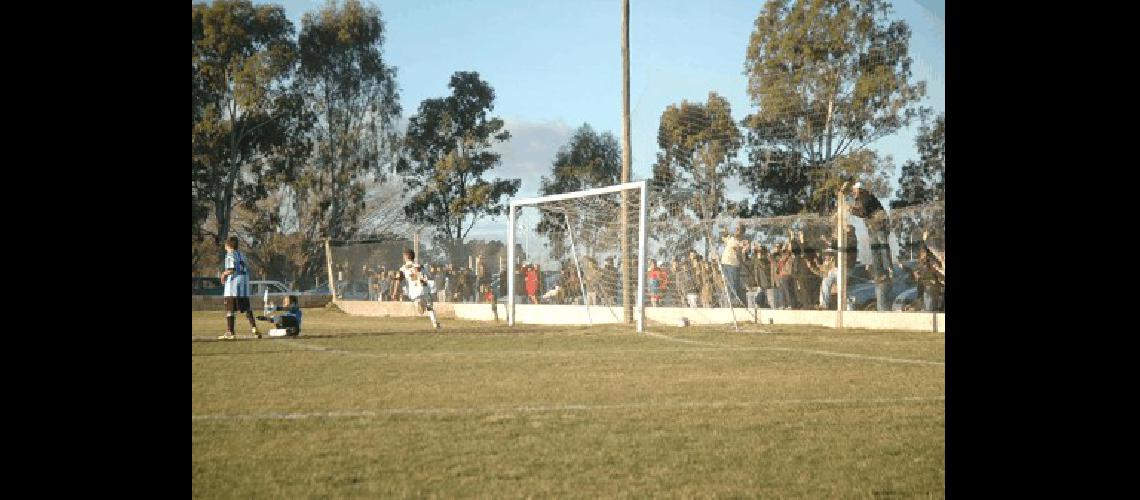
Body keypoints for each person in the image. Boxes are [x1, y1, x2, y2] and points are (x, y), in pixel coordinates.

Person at [219, 236, 259, 340]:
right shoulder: (242, 255)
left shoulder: (230, 254)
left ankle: (230, 333)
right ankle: (254, 328)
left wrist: (223, 274)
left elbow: (231, 269)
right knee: (247, 309)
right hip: (244, 286)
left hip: (233, 287)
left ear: (228, 245)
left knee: (230, 310)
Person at [399, 248, 441, 329]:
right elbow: (428, 276)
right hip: (423, 288)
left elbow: (399, 279)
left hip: (413, 291)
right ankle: (435, 323)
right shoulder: (420, 266)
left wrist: (396, 291)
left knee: (418, 302)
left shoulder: (403, 268)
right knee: (430, 306)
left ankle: (419, 302)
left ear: (406, 257)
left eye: (404, 256)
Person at [719, 225, 746, 306]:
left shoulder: (741, 242)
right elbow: (723, 238)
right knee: (727, 284)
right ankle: (730, 301)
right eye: (736, 229)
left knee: (733, 284)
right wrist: (725, 231)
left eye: (738, 230)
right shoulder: (731, 239)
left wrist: (740, 250)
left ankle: (735, 302)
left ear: (742, 232)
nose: (736, 231)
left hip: (733, 265)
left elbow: (740, 252)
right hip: (725, 263)